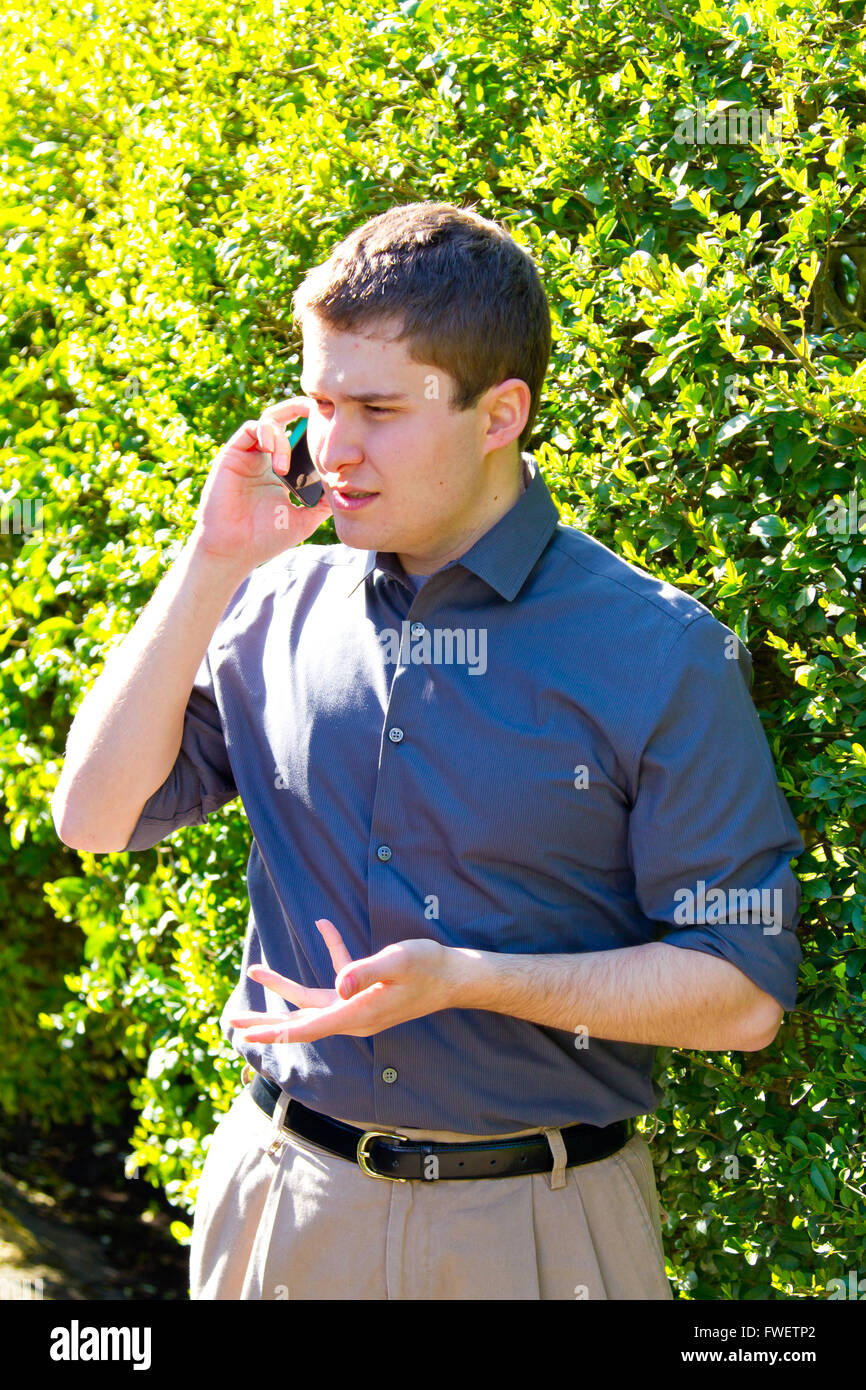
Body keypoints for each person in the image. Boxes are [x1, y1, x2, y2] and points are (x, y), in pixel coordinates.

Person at [51, 201, 804, 1301]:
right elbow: (94, 817)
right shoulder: (268, 608)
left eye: (378, 408)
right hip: (282, 1209)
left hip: (538, 1234)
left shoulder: (658, 651)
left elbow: (739, 996)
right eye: (317, 402)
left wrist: (463, 982)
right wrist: (212, 559)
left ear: (501, 413)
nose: (332, 445)